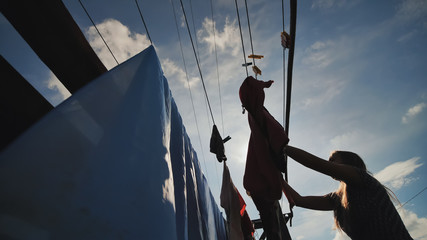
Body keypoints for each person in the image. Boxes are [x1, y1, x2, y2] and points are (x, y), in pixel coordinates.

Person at [281, 146, 413, 240]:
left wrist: (282, 147)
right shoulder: (337, 199)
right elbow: (298, 200)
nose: (329, 163)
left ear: (349, 163)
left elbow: (316, 163)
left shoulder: (363, 179)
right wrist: (276, 176)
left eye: (333, 159)